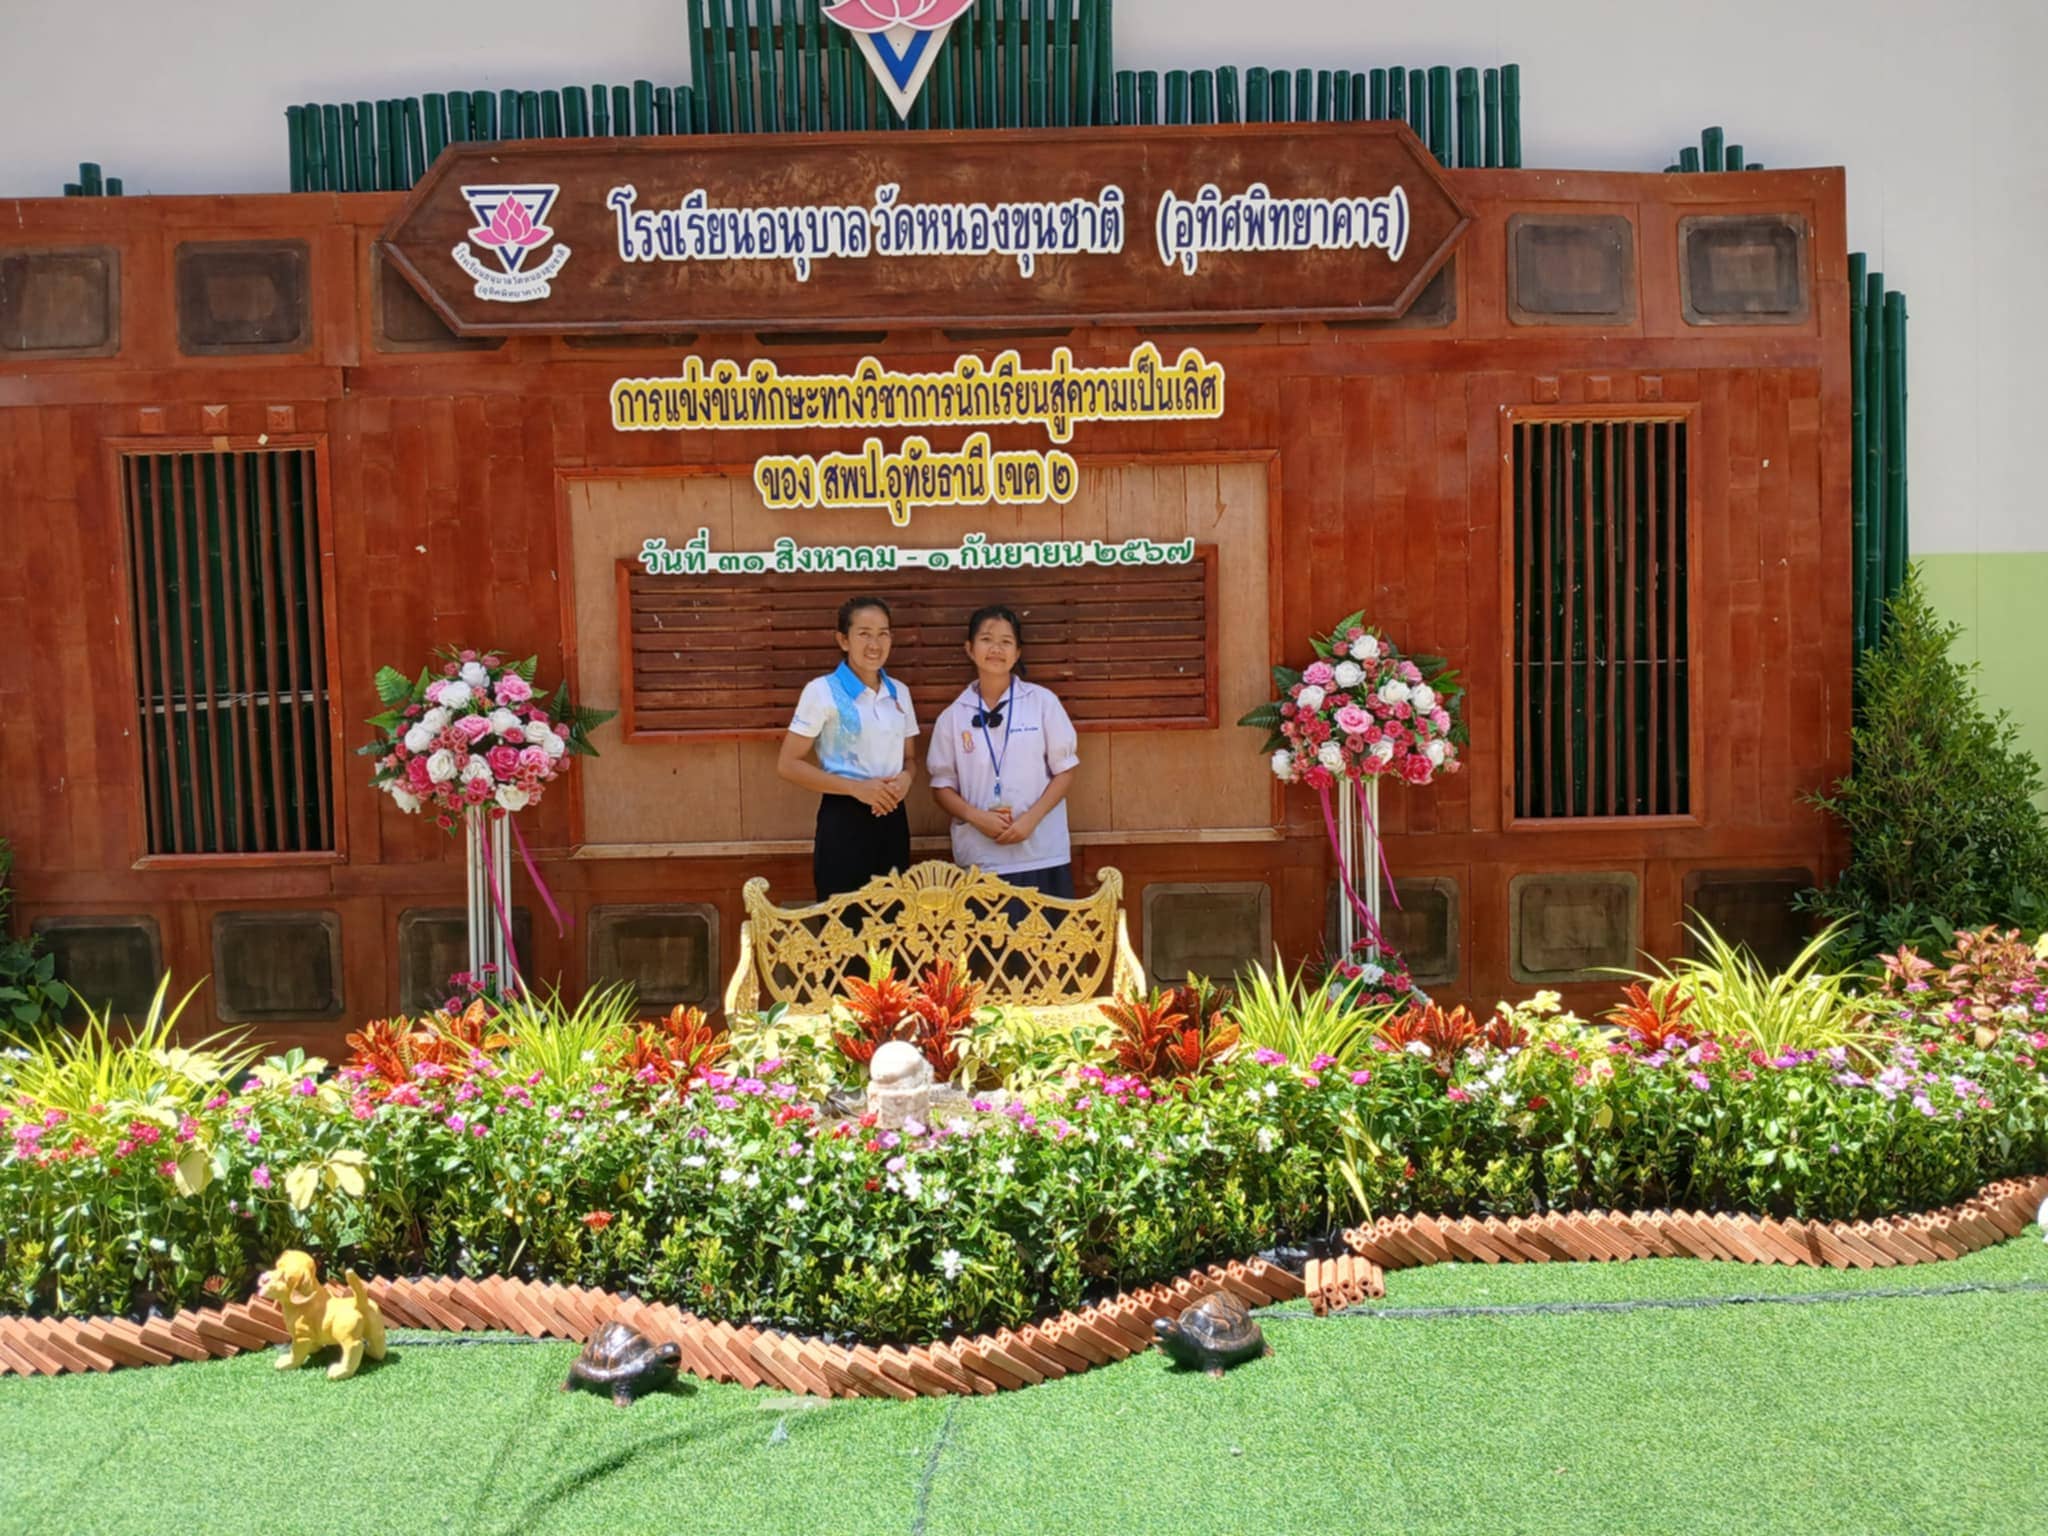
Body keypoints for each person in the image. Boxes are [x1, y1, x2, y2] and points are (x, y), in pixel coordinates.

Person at [926, 604, 1080, 897]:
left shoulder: (1043, 702)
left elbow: (1065, 771)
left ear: (1017, 652)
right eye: (986, 639)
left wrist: (1030, 820)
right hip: (981, 859)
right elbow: (941, 786)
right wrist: (976, 817)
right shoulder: (953, 716)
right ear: (970, 649)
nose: (996, 649)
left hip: (1042, 853)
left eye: (1006, 641)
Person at [778, 595, 918, 901]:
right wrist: (857, 789)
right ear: (843, 640)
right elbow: (788, 764)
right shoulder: (821, 691)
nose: (875, 644)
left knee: (893, 919)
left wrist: (906, 780)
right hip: (844, 819)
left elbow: (909, 758)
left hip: (893, 815)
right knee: (843, 919)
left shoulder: (899, 693)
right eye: (864, 634)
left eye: (883, 634)